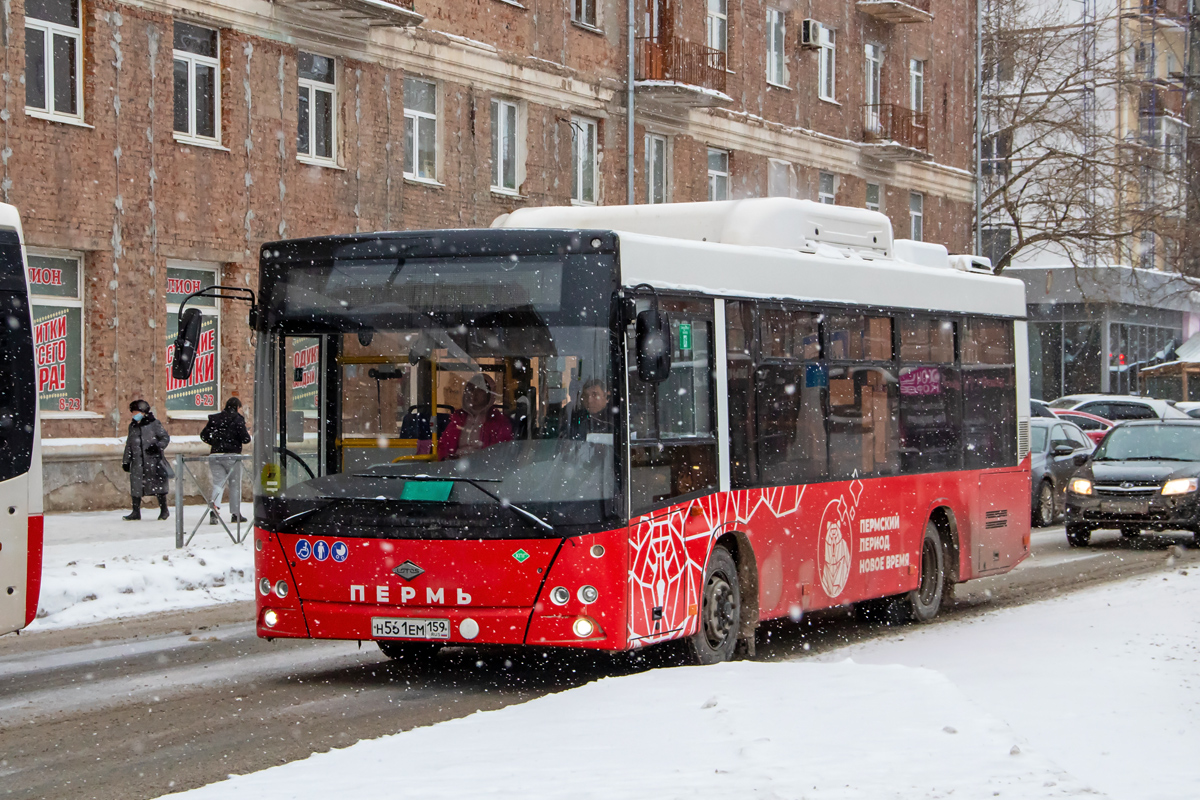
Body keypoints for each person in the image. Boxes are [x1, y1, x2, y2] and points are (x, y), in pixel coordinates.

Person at [201, 397, 252, 524]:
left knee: (218, 484)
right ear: (237, 407)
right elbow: (246, 439)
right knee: (235, 485)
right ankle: (235, 514)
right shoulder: (238, 420)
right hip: (232, 456)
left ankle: (214, 511)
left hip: (215, 455)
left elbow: (203, 435)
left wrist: (215, 442)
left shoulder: (215, 418)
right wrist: (245, 434)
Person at [437, 373, 513, 460]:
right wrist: (446, 458)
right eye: (471, 389)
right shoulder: (458, 418)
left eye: (480, 390)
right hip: (456, 466)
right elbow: (443, 444)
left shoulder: (498, 421)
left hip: (483, 468)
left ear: (489, 394)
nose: (474, 394)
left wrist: (482, 461)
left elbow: (503, 450)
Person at [121, 399, 172, 521]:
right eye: (133, 412)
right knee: (136, 487)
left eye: (136, 412)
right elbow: (129, 444)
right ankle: (135, 512)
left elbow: (165, 438)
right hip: (137, 462)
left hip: (153, 461)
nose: (134, 415)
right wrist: (126, 460)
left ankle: (164, 510)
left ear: (144, 412)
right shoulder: (133, 426)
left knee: (158, 486)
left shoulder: (154, 424)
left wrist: (157, 447)